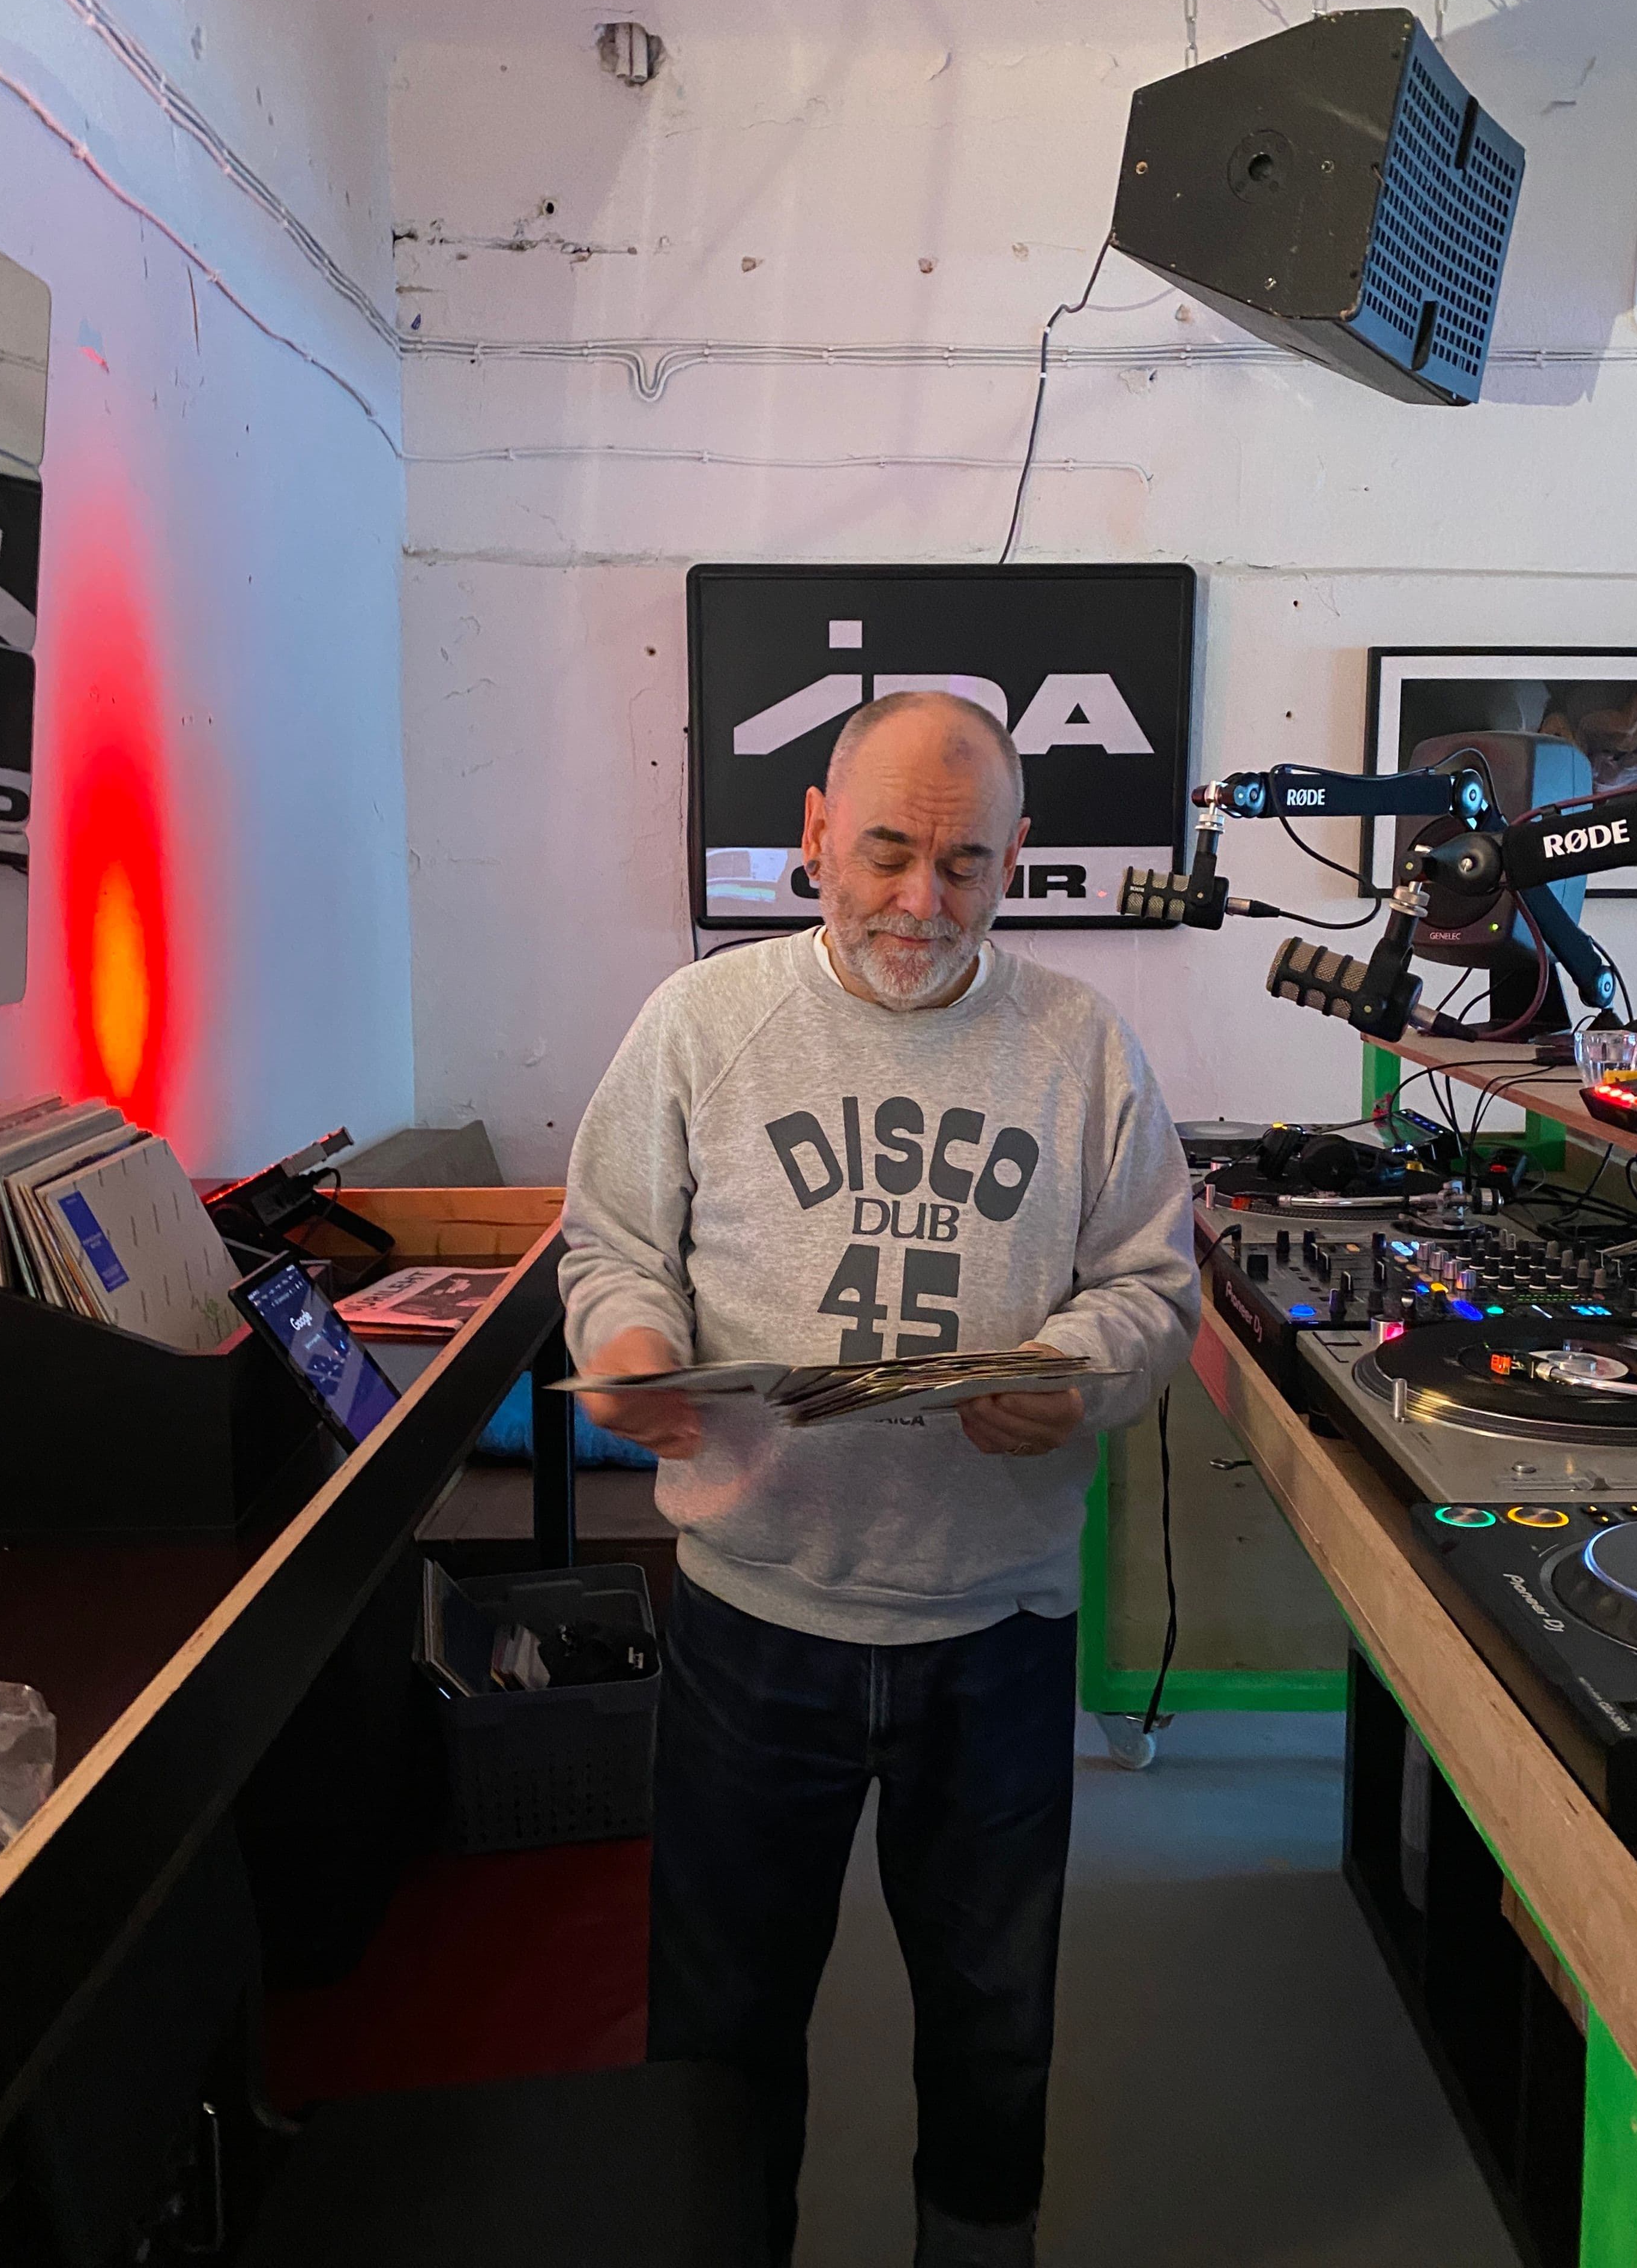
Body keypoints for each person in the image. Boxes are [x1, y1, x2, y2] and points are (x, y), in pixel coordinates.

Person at [561, 690, 1200, 2267]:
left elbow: (1151, 1284)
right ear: (815, 837)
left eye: (965, 865)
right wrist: (633, 1344)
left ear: (1017, 859)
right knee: (721, 2019)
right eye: (888, 853)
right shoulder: (700, 1021)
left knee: (993, 2023)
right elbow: (613, 1245)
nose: (922, 900)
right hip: (751, 1621)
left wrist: (1079, 1373)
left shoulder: (1081, 1045)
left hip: (996, 1632)